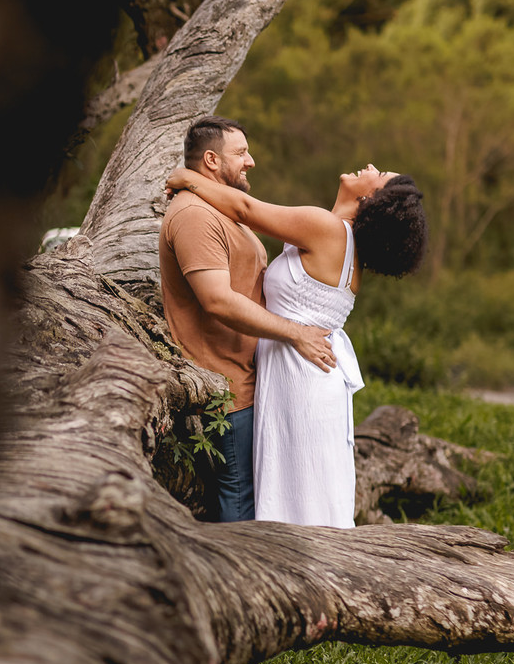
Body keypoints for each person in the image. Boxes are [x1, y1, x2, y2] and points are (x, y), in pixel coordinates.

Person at [165, 161, 428, 527]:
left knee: (300, 498)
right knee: (306, 494)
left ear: (371, 198)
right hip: (308, 375)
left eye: (379, 174)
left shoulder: (326, 229)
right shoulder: (344, 243)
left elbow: (245, 209)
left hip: (301, 379)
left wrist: (188, 178)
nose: (370, 165)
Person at [159, 116, 337, 523]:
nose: (250, 161)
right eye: (241, 153)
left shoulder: (218, 208)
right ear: (211, 160)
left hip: (252, 382)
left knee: (263, 500)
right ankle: (232, 568)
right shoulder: (195, 216)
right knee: (240, 505)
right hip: (228, 390)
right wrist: (297, 334)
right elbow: (218, 301)